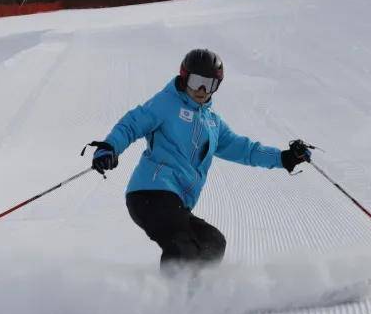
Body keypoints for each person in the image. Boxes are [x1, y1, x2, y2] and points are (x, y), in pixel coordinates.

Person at [89, 49, 312, 271]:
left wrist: (284, 158)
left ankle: (198, 298)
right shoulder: (166, 103)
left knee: (213, 243)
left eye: (210, 84)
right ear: (185, 76)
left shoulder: (212, 123)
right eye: (197, 82)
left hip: (176, 202)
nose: (203, 90)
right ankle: (171, 300)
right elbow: (132, 124)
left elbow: (245, 149)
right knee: (182, 246)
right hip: (150, 194)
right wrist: (109, 148)